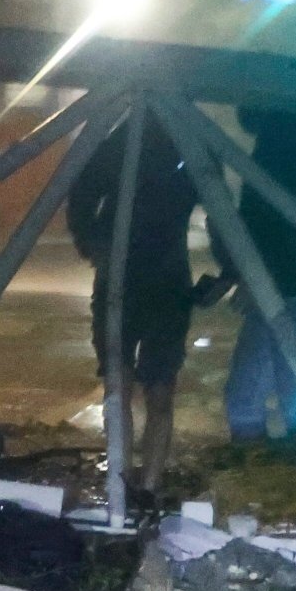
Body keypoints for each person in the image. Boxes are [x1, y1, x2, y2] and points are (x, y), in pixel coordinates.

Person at [68, 112, 205, 497]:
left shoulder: (134, 142)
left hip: (149, 280)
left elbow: (82, 196)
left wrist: (92, 242)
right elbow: (83, 195)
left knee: (135, 387)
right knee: (139, 387)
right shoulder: (170, 143)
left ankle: (136, 483)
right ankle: (135, 484)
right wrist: (92, 242)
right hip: (150, 278)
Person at [221, 109, 296, 439]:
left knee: (266, 404)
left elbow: (272, 226)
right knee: (291, 403)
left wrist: (249, 275)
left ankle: (277, 480)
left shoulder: (279, 149)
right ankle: (293, 478)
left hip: (292, 288)